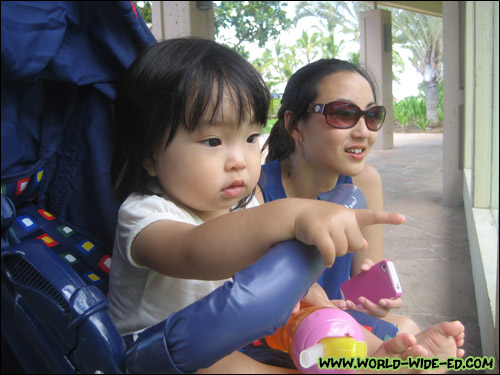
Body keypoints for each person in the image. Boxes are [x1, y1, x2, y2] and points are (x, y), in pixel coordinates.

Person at [106, 38, 438, 373]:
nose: (239, 161)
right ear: (149, 157)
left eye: (251, 138)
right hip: (159, 353)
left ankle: (385, 358)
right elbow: (194, 251)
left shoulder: (244, 204)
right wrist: (294, 213)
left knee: (318, 318)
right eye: (212, 141)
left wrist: (311, 295)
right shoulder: (145, 215)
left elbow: (270, 274)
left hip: (240, 337)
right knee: (227, 366)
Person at [260, 58, 465, 369]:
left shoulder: (365, 181)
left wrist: (376, 302)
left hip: (342, 321)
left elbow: (363, 278)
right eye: (343, 114)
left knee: (405, 326)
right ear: (294, 125)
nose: (364, 132)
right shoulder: (257, 191)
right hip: (280, 331)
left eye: (372, 116)